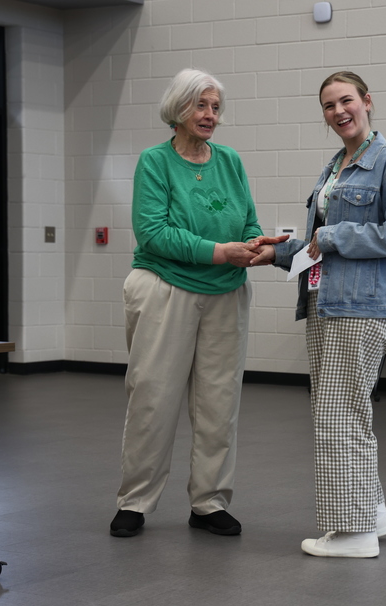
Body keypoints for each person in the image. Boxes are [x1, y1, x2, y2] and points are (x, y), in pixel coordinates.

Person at [250, 71, 386, 558]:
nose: (339, 111)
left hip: (362, 309)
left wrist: (333, 236)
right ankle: (373, 513)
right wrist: (275, 252)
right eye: (328, 105)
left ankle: (353, 534)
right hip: (325, 303)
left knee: (338, 414)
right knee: (345, 412)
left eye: (346, 100)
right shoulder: (335, 168)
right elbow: (317, 245)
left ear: (367, 101)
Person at [110, 68, 273, 538]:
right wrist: (219, 252)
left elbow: (247, 219)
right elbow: (153, 232)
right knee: (153, 400)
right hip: (166, 288)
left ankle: (209, 502)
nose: (210, 115)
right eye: (201, 105)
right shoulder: (155, 161)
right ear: (178, 109)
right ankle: (135, 501)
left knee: (219, 405)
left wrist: (255, 244)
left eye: (216, 107)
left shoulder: (230, 161)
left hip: (226, 292)